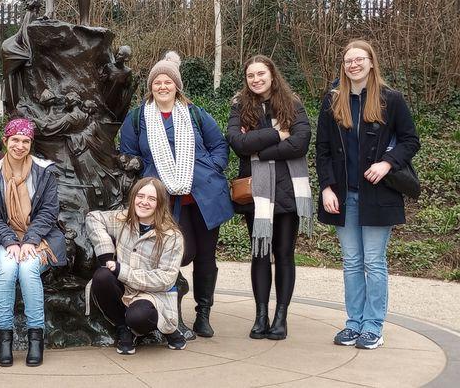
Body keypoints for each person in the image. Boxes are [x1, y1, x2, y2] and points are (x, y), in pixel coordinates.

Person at [119, 51, 232, 339]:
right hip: (164, 200)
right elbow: (128, 154)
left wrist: (211, 167)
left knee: (206, 256)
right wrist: (146, 176)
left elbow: (219, 144)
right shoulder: (137, 118)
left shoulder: (195, 112)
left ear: (177, 85)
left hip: (204, 196)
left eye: (168, 81)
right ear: (151, 87)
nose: (162, 86)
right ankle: (173, 312)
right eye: (157, 82)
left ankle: (203, 313)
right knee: (179, 254)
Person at [317, 40, 420, 350]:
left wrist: (388, 163)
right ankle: (353, 323)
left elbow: (410, 140)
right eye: (348, 60)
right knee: (351, 262)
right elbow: (322, 149)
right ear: (343, 66)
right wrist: (326, 188)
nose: (354, 64)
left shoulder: (392, 100)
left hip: (379, 195)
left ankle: (373, 326)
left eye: (359, 59)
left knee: (374, 262)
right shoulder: (333, 100)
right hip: (343, 196)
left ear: (371, 62)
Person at [226, 55, 313, 341]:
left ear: (272, 75)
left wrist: (261, 150)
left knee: (284, 254)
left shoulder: (292, 104)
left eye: (261, 74)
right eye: (251, 75)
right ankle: (261, 315)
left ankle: (281, 317)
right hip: (256, 193)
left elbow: (301, 143)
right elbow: (238, 144)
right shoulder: (240, 106)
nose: (256, 79)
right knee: (260, 254)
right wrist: (277, 133)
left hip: (287, 191)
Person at [0, 118, 67, 367]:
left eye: (25, 141)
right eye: (15, 140)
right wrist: (10, 241)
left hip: (39, 238)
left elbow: (49, 212)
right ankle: (4, 336)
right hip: (3, 238)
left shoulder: (44, 171)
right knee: (7, 270)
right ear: (5, 141)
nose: (20, 145)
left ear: (31, 143)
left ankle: (35, 338)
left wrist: (29, 239)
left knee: (28, 271)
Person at [86, 177, 186, 354]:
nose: (144, 202)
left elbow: (166, 278)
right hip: (126, 289)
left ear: (160, 203)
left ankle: (167, 328)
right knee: (102, 277)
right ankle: (123, 327)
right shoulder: (124, 220)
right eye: (140, 196)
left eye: (151, 199)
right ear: (133, 198)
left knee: (139, 317)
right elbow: (93, 218)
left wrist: (123, 271)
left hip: (154, 294)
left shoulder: (172, 236)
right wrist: (107, 254)